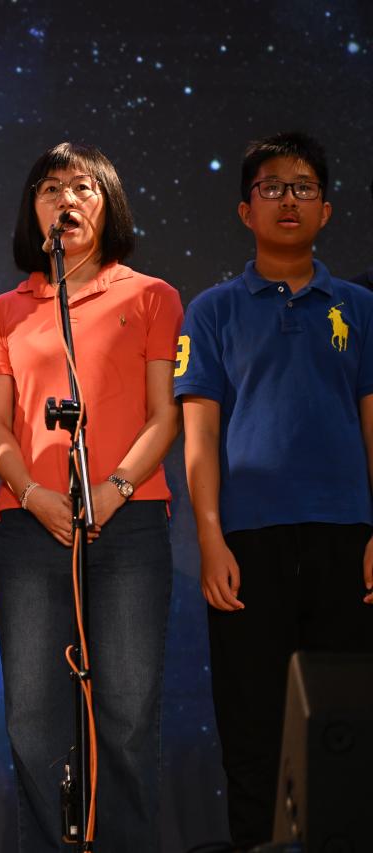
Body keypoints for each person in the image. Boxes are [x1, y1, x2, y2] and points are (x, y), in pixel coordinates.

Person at [0, 143, 182, 852]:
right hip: (33, 526)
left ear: (108, 201)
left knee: (126, 713)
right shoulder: (5, 311)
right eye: (50, 188)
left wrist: (114, 490)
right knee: (33, 718)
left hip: (129, 522)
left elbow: (164, 416)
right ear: (32, 209)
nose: (65, 198)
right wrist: (33, 493)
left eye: (82, 186)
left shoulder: (151, 295)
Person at [175, 131, 373, 848]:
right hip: (248, 544)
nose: (288, 199)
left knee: (349, 723)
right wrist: (209, 536)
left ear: (326, 209)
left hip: (348, 541)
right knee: (252, 725)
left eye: (303, 187)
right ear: (245, 209)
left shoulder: (360, 307)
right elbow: (200, 437)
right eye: (271, 187)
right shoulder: (212, 311)